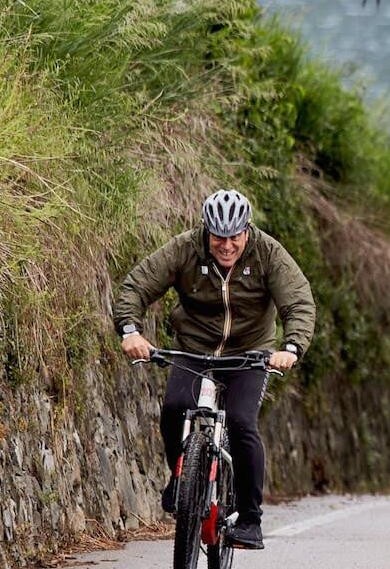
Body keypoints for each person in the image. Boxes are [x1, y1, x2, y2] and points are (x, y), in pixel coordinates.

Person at [113, 189, 316, 550]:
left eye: (234, 237)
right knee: (175, 408)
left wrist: (290, 347)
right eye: (218, 237)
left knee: (241, 422)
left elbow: (298, 301)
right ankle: (180, 478)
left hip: (249, 354)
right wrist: (130, 330)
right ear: (206, 231)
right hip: (194, 348)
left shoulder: (268, 253)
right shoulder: (185, 248)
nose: (226, 246)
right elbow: (137, 285)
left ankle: (250, 520)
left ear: (247, 232)